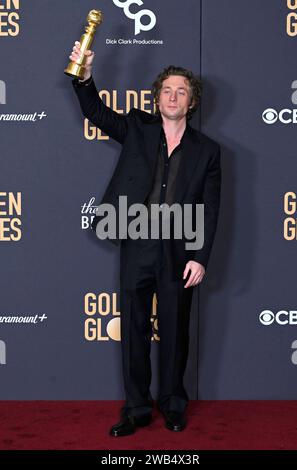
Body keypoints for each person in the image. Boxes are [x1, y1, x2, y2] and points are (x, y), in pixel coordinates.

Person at [69, 42, 222, 436]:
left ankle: (173, 404)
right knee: (133, 327)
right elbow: (95, 111)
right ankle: (136, 408)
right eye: (167, 90)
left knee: (175, 330)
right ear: (157, 99)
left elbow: (209, 208)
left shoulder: (208, 151)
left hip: (178, 250)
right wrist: (84, 77)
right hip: (136, 240)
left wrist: (200, 256)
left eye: (182, 91)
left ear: (191, 102)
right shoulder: (137, 127)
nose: (173, 96)